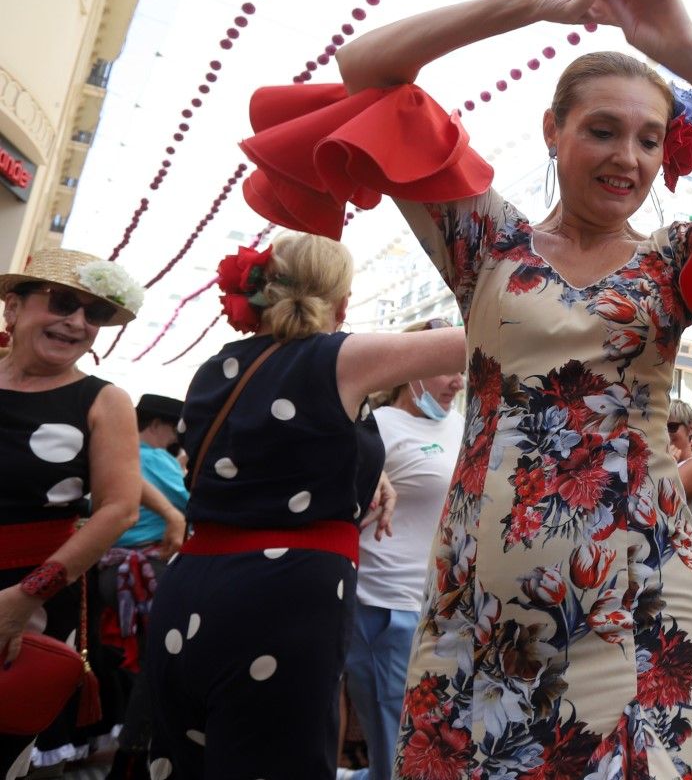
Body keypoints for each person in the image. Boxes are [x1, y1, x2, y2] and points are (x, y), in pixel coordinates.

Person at [240, 0, 692, 777]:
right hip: (476, 605)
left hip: (640, 602)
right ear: (552, 131)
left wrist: (689, 51)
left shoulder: (675, 259)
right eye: (601, 128)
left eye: (647, 137)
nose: (625, 157)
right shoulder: (484, 243)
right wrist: (525, 5)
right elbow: (366, 70)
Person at [145, 234, 464, 776]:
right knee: (279, 758)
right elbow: (484, 334)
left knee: (189, 759)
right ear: (341, 302)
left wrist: (370, 473)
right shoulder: (338, 358)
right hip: (284, 596)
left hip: (191, 585)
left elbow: (264, 456)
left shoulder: (215, 367)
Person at [0, 249, 144, 780]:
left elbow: (120, 509)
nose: (78, 322)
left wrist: (23, 600)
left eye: (96, 314)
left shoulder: (104, 401)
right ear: (12, 309)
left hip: (27, 596)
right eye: (62, 302)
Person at [344, 318, 467, 780]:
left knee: (438, 749)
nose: (458, 379)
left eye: (461, 368)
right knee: (398, 751)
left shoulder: (462, 423)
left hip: (448, 611)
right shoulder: (377, 426)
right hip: (386, 609)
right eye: (445, 367)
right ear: (411, 368)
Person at [101, 393, 189, 780]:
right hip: (143, 569)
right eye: (172, 429)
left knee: (129, 661)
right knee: (160, 663)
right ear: (156, 425)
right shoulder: (154, 459)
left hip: (108, 567)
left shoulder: (113, 454)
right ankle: (136, 753)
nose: (175, 437)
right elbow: (190, 503)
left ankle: (122, 742)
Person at [669, 399, 692, 501]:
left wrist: (668, 465)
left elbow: (667, 497)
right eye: (662, 428)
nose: (666, 433)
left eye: (672, 427)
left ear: (690, 429)